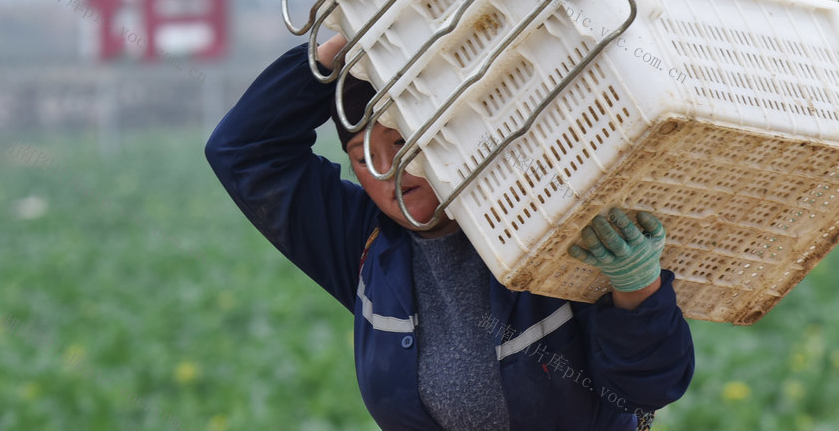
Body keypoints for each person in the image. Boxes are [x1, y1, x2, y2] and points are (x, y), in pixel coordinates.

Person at [206, 34, 694, 430]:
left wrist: (638, 291)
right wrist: (334, 52)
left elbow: (644, 390)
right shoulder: (365, 246)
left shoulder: (545, 224)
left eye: (402, 143)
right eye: (362, 157)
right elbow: (243, 152)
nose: (388, 173)